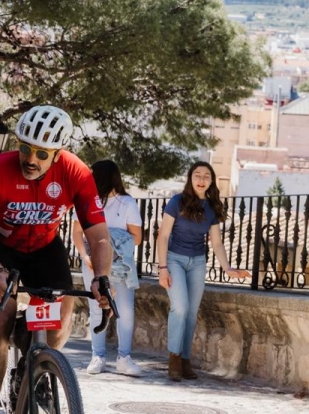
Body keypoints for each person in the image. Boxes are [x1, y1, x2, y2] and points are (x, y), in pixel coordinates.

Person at [0, 105, 112, 414]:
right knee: (1, 319)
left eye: (42, 154)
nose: (31, 158)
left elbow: (100, 236)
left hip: (45, 249)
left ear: (57, 154)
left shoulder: (75, 172)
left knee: (61, 317)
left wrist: (102, 278)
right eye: (25, 148)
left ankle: (32, 371)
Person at [155, 161, 249, 381]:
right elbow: (163, 236)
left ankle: (185, 361)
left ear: (211, 181)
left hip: (198, 262)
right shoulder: (177, 202)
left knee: (190, 313)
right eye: (197, 175)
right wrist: (162, 268)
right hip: (174, 260)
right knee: (179, 307)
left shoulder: (212, 207)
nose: (201, 179)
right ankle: (174, 359)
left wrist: (228, 268)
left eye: (207, 176)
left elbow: (216, 244)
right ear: (190, 178)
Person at [73, 160, 144, 377]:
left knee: (124, 309)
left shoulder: (127, 203)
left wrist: (112, 243)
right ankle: (98, 356)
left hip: (120, 265)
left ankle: (124, 358)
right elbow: (76, 232)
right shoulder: (86, 201)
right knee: (96, 308)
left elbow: (137, 238)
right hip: (93, 263)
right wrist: (85, 256)